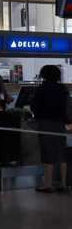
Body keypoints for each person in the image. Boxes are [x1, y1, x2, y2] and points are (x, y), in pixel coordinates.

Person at [31, 65, 70, 193]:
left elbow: (34, 106)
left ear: (44, 75)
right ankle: (63, 183)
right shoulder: (62, 88)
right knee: (61, 152)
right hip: (60, 123)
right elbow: (67, 106)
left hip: (45, 123)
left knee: (48, 152)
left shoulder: (42, 89)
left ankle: (48, 184)